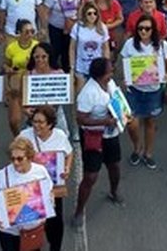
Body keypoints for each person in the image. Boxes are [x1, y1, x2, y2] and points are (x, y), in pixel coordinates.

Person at [73, 57, 126, 220]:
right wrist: (105, 121)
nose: (112, 72)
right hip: (93, 137)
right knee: (91, 176)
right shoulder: (88, 93)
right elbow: (81, 119)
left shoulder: (109, 84)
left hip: (111, 135)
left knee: (114, 166)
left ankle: (113, 191)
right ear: (100, 75)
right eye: (110, 70)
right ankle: (79, 210)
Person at [119, 13, 167, 170]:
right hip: (134, 90)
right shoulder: (130, 44)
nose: (143, 32)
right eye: (140, 28)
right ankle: (137, 147)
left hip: (153, 91)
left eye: (147, 29)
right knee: (132, 123)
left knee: (150, 121)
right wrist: (126, 78)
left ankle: (148, 153)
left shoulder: (163, 46)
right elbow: (125, 63)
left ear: (153, 30)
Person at [18, 106, 73, 251]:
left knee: (55, 221)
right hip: (31, 190)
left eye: (41, 122)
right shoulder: (24, 136)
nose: (37, 125)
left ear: (50, 124)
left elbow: (69, 153)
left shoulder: (60, 136)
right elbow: (15, 156)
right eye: (35, 121)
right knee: (34, 222)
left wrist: (66, 168)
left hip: (54, 189)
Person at [0, 137, 53, 251]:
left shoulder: (40, 172)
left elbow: (49, 193)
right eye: (12, 159)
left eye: (19, 159)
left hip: (34, 230)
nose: (15, 163)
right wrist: (1, 215)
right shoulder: (2, 176)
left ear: (29, 157)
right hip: (10, 233)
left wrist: (48, 207)